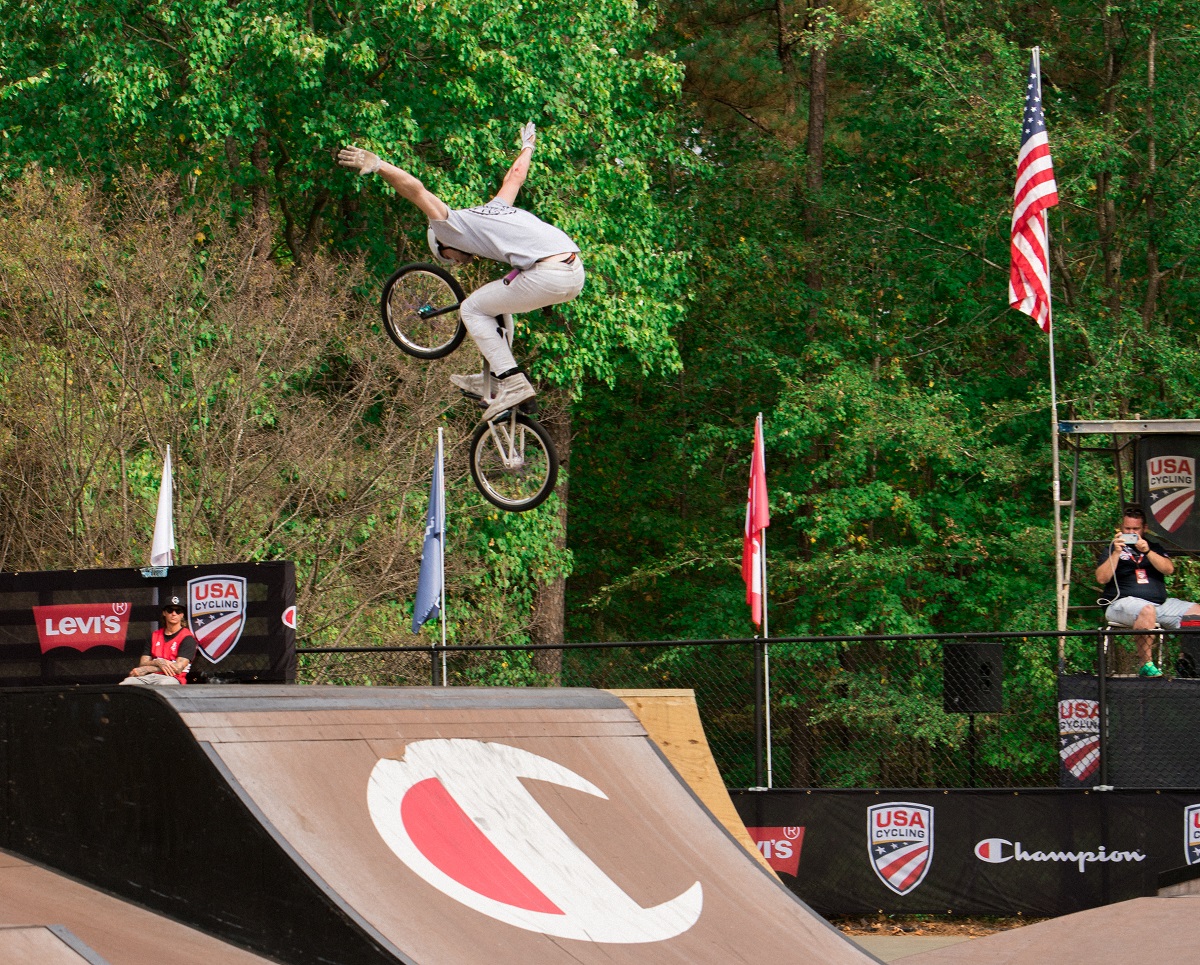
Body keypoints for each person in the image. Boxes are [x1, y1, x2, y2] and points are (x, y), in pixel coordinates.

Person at [337, 123, 584, 422]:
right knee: (494, 302)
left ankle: (513, 381)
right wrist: (528, 145)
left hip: (548, 273)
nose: (457, 262)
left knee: (471, 309)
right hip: (573, 270)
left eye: (447, 257)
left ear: (442, 243)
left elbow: (417, 191)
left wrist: (379, 166)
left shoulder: (448, 227)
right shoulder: (496, 207)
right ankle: (494, 377)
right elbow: (515, 177)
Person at [1095, 505, 1200, 677]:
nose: (1131, 532)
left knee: (1197, 611)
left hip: (1159, 604)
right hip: (1121, 604)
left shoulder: (1154, 547)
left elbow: (1168, 569)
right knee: (1147, 610)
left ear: (1145, 529)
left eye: (1135, 529)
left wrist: (1148, 551)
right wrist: (1116, 553)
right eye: (1127, 528)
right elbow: (1101, 578)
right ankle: (1146, 665)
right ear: (1121, 528)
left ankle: (1189, 662)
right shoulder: (1112, 549)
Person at [121, 595, 197, 686]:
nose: (174, 613)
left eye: (178, 611)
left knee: (163, 685)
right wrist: (158, 662)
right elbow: (143, 663)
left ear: (182, 615)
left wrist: (148, 669)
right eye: (170, 610)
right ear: (164, 613)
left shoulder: (187, 638)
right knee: (126, 683)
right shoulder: (154, 635)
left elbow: (178, 668)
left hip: (172, 677)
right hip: (149, 677)